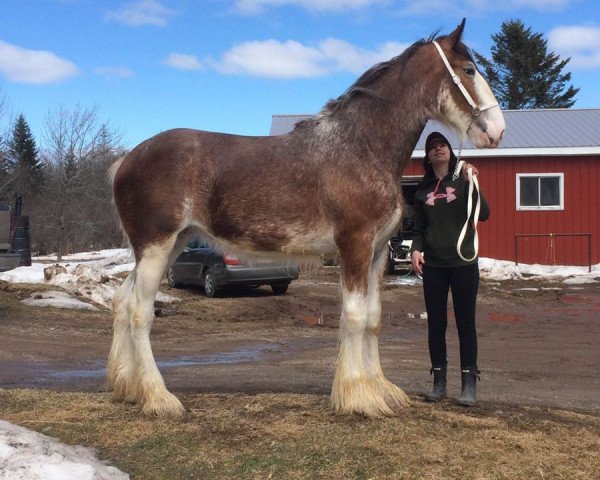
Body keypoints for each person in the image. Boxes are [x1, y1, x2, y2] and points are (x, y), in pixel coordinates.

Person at [410, 131, 490, 407]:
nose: (438, 149)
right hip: (434, 267)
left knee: (465, 323)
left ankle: (469, 384)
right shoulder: (422, 191)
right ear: (428, 158)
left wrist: (472, 182)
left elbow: (484, 213)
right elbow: (419, 229)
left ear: (450, 151)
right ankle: (439, 383)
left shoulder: (464, 180)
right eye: (432, 147)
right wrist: (415, 250)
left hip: (464, 264)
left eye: (442, 145)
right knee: (436, 324)